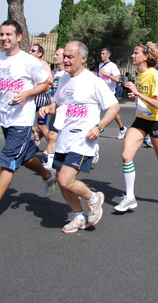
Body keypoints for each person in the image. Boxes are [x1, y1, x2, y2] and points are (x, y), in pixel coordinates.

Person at [0, 19, 57, 224]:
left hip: (22, 120)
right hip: (5, 119)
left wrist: (27, 93)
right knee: (25, 158)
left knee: (8, 159)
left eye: (8, 34)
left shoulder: (29, 61)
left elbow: (47, 83)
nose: (4, 38)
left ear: (18, 37)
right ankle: (47, 175)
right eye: (2, 34)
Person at [38, 41, 120, 233]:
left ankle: (93, 199)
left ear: (82, 59)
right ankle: (78, 216)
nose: (65, 60)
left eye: (70, 57)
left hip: (83, 140)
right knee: (61, 181)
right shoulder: (65, 80)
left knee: (66, 179)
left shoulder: (94, 81)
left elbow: (114, 106)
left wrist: (99, 127)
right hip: (63, 139)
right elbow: (58, 106)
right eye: (64, 56)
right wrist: (45, 109)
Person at [114, 41, 158, 212]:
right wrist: (135, 96)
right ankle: (130, 197)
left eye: (136, 52)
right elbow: (145, 97)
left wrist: (138, 93)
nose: (132, 55)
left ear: (146, 56)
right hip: (141, 120)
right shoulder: (140, 74)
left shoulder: (154, 75)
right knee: (126, 155)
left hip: (157, 121)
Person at [44, 47, 66, 169]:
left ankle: (93, 149)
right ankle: (50, 162)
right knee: (52, 134)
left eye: (57, 55)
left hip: (67, 111)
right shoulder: (56, 72)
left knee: (67, 138)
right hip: (56, 107)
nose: (54, 57)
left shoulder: (68, 73)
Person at [99, 48, 127, 140]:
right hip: (100, 92)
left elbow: (117, 79)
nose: (101, 55)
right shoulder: (100, 65)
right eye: (101, 53)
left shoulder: (112, 66)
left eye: (103, 54)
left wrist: (106, 74)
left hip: (109, 92)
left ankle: (121, 128)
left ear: (108, 55)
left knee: (113, 112)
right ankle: (97, 127)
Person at [28, 44, 54, 146]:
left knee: (42, 126)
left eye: (33, 50)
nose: (30, 52)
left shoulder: (43, 64)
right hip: (31, 96)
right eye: (29, 50)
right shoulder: (29, 64)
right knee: (24, 122)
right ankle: (35, 134)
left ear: (40, 54)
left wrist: (39, 82)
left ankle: (52, 146)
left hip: (41, 98)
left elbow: (50, 80)